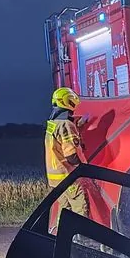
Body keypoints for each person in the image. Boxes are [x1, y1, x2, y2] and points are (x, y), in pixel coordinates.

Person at [44, 86, 89, 217]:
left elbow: (59, 139)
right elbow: (71, 155)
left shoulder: (53, 123)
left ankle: (62, 237)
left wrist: (77, 126)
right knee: (80, 209)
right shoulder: (66, 125)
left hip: (54, 178)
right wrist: (83, 169)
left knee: (64, 212)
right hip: (67, 176)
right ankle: (81, 237)